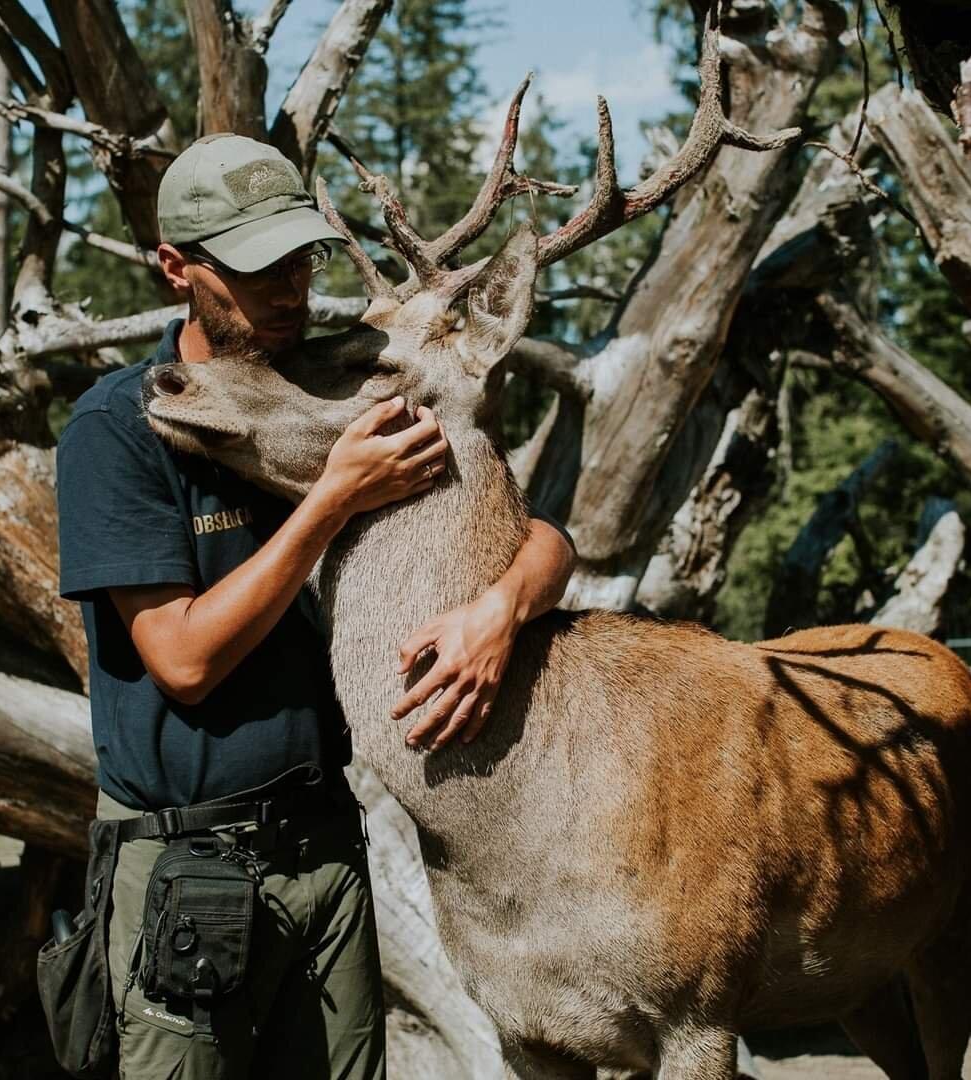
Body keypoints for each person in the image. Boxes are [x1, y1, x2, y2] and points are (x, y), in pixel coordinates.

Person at [55, 133, 576, 1080]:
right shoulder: (121, 426)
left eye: (300, 262)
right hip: (186, 866)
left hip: (328, 849)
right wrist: (335, 498)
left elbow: (541, 534)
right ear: (175, 269)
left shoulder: (334, 385)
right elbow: (183, 661)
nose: (289, 292)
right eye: (256, 271)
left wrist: (502, 608)